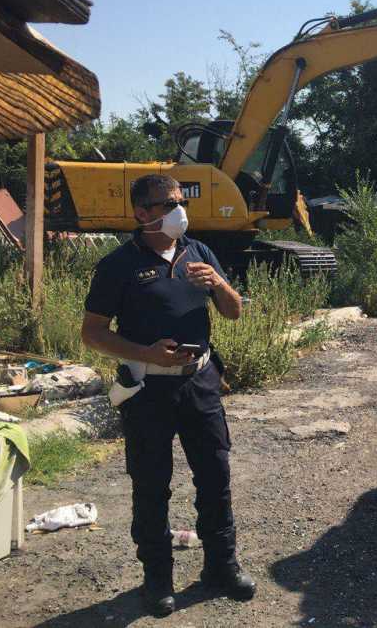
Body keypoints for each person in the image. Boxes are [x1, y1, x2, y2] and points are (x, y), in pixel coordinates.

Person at [81, 174, 255, 616]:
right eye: (168, 203)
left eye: (181, 201)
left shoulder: (199, 252)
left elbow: (234, 313)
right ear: (142, 213)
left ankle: (222, 566)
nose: (180, 210)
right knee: (151, 485)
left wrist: (218, 282)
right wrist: (145, 351)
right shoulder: (118, 265)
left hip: (200, 384)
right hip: (147, 390)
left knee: (215, 476)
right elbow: (93, 333)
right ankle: (157, 579)